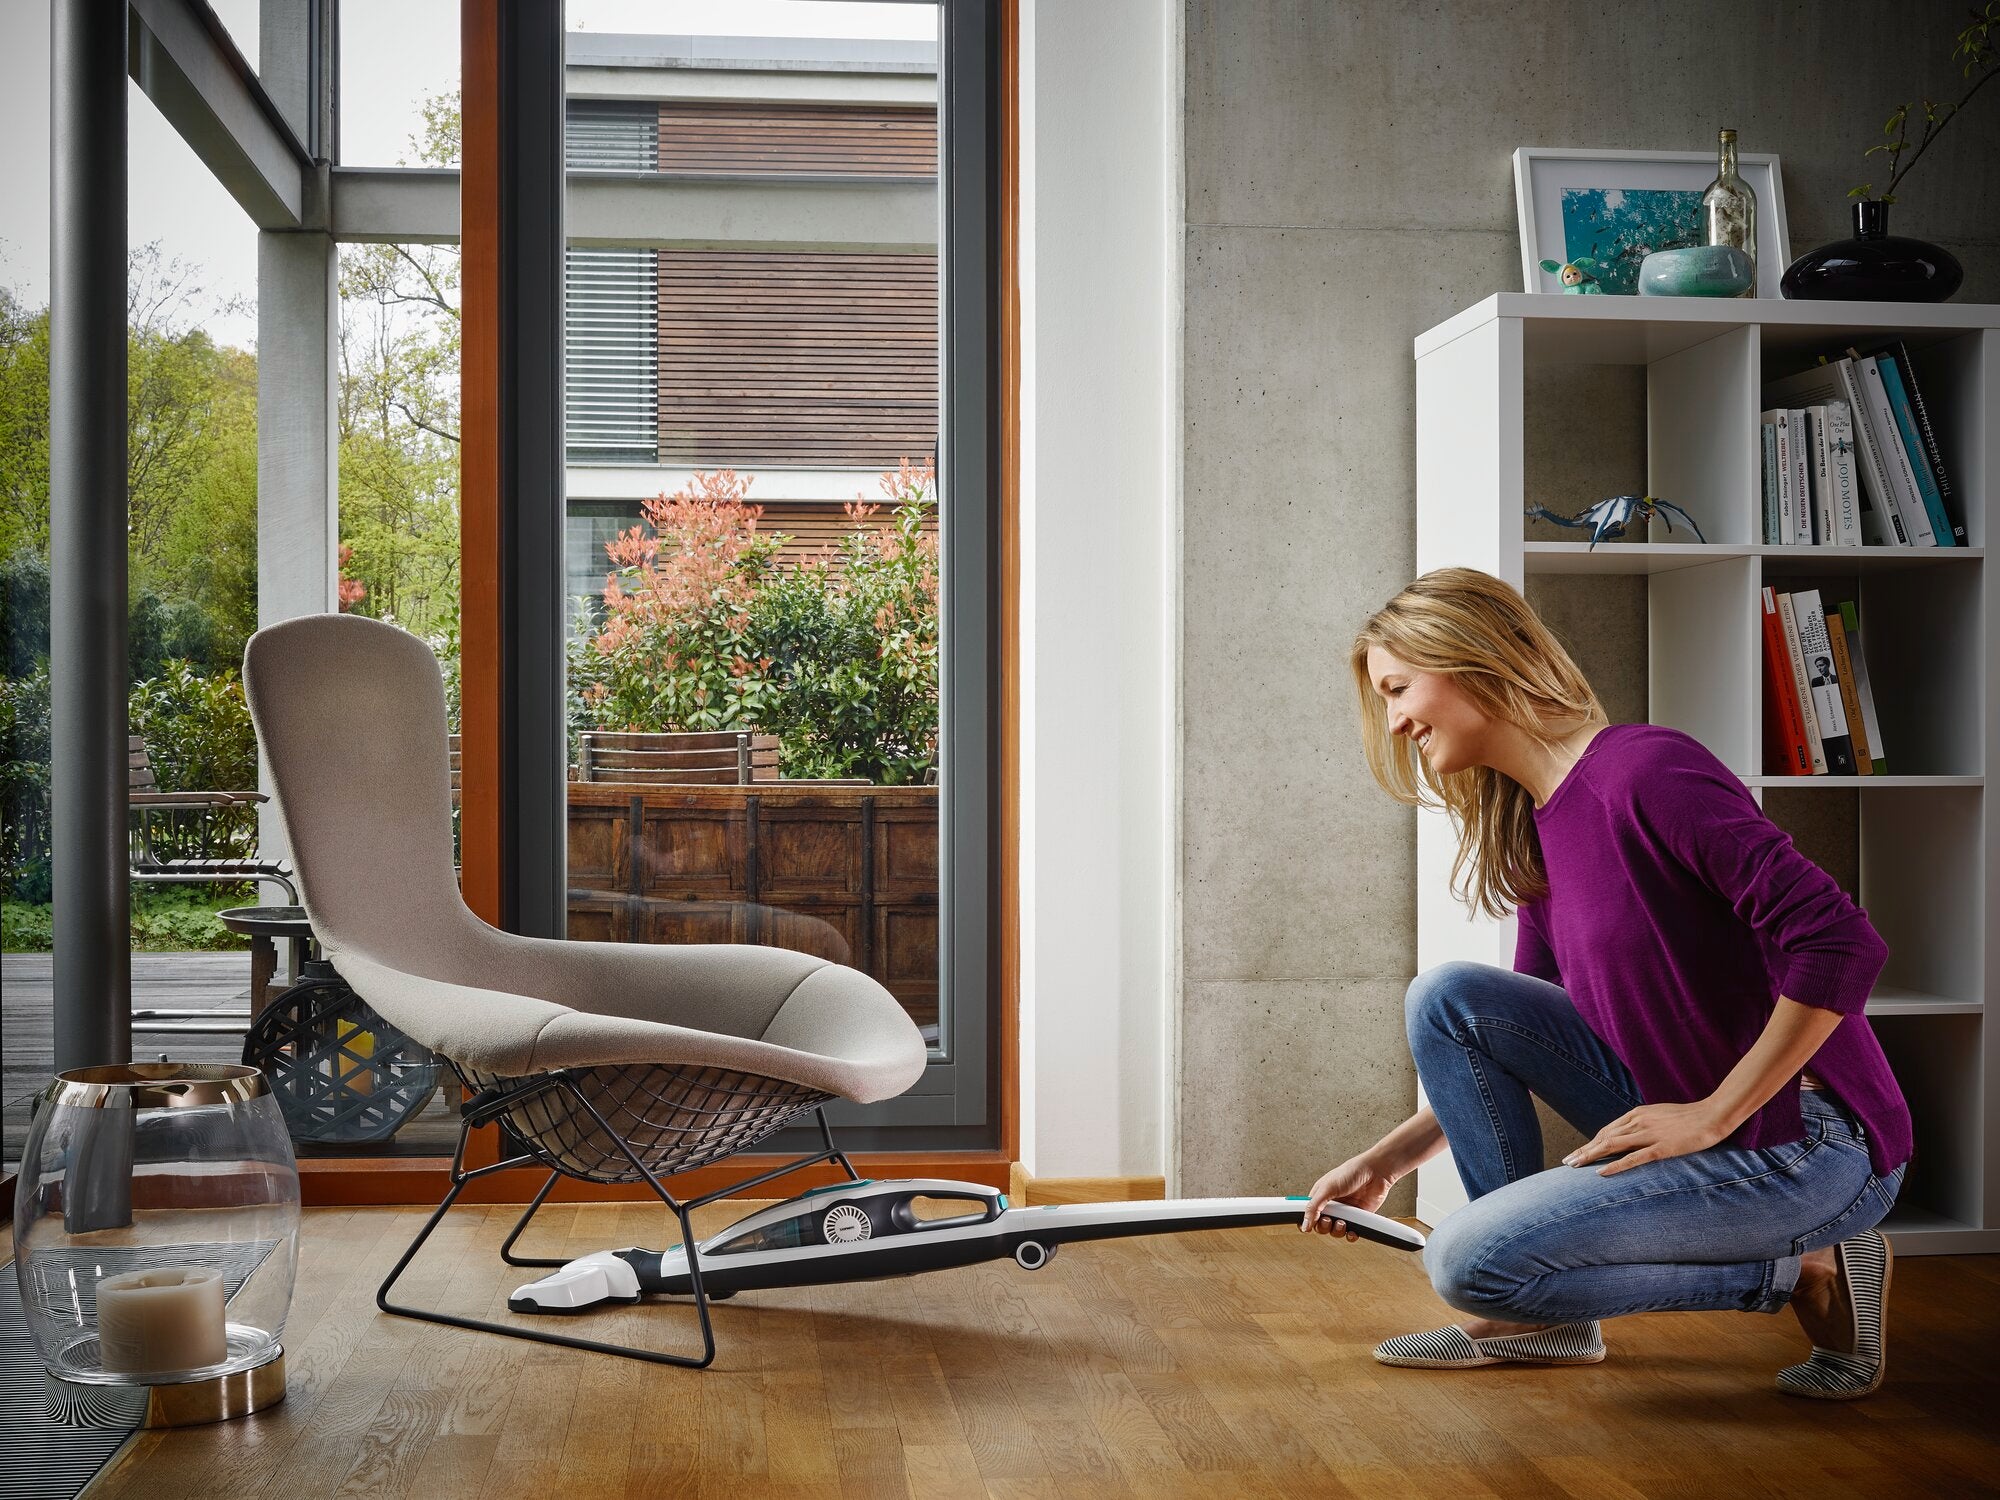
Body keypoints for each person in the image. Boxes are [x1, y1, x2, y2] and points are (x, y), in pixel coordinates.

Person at [1303, 567, 1911, 1399]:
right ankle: (1539, 1316)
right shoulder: (1534, 827)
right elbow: (1500, 1044)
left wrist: (1713, 1115)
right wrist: (1387, 1160)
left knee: (1462, 1261)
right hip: (1685, 1109)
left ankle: (1801, 1267)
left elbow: (1842, 943)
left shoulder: (1648, 771)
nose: (1398, 720)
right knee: (1448, 999)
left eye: (1401, 689)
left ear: (1472, 657)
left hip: (1812, 1144)